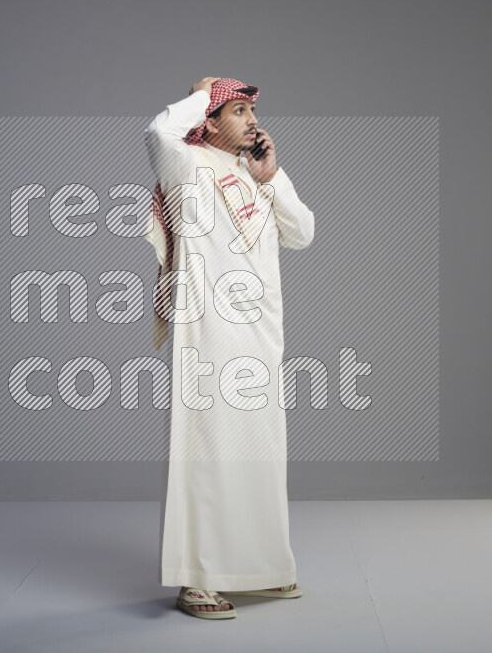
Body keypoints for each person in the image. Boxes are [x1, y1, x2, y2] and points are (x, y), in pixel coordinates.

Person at [143, 77, 315, 619]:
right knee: (207, 452)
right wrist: (205, 92)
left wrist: (272, 177)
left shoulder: (254, 173)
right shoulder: (186, 164)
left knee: (261, 452)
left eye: (252, 110)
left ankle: (261, 568)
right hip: (210, 334)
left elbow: (303, 233)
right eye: (238, 110)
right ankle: (196, 580)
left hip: (261, 336)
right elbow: (158, 131)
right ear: (210, 122)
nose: (252, 120)